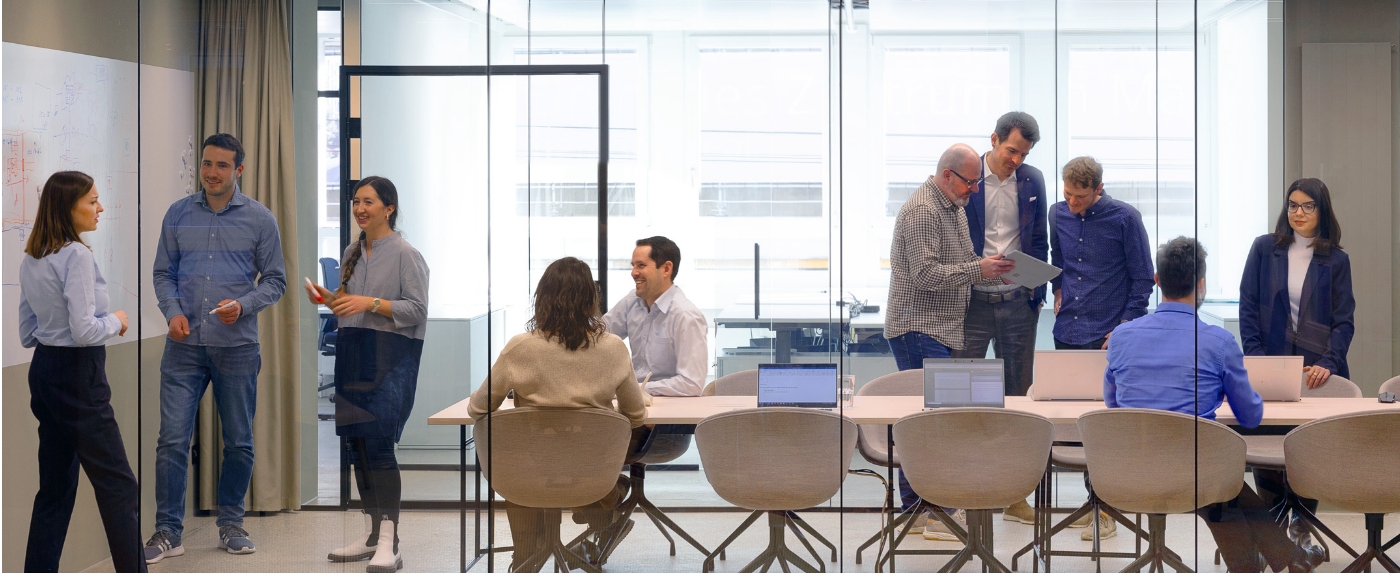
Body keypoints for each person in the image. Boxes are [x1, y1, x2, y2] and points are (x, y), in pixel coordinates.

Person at [1105, 236, 1320, 573]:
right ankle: (1273, 562)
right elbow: (1250, 416)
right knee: (1222, 483)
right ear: (1201, 284)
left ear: (1157, 280)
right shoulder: (1218, 341)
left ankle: (1285, 558)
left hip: (1131, 470)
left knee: (1228, 487)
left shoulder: (1121, 336)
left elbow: (1113, 406)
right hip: (1196, 476)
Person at [146, 133, 287, 563]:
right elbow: (163, 273)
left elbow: (276, 281)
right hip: (184, 346)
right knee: (172, 440)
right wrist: (172, 311)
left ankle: (231, 524)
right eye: (207, 164)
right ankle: (168, 532)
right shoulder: (178, 213)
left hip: (236, 346)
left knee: (239, 441)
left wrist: (244, 305)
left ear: (238, 170)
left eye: (222, 165)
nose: (211, 172)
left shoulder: (260, 219)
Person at [470, 257, 649, 572]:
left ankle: (525, 559)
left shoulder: (519, 348)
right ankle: (605, 502)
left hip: (528, 471)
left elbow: (478, 408)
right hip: (591, 471)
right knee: (580, 466)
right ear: (591, 300)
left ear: (542, 299)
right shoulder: (613, 348)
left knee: (519, 464)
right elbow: (635, 415)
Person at [885, 143, 1015, 540]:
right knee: (930, 425)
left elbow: (963, 261)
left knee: (927, 421)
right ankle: (931, 512)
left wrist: (995, 270)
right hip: (918, 327)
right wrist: (979, 269)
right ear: (947, 175)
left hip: (938, 327)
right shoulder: (924, 210)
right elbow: (925, 275)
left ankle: (919, 509)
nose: (974, 190)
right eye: (970, 182)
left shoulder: (952, 206)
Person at [18, 172, 145, 573]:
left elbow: (27, 333)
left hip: (44, 371)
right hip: (78, 375)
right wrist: (117, 320)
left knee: (55, 489)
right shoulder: (76, 255)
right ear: (67, 207)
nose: (100, 208)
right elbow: (85, 330)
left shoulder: (32, 257)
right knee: (119, 485)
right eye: (92, 201)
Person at [309, 177, 429, 572]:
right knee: (356, 447)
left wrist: (370, 302)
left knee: (378, 447)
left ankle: (391, 542)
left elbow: (417, 309)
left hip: (389, 359)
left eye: (369, 202)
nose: (360, 209)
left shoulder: (407, 255)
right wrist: (329, 299)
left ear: (389, 208)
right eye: (356, 201)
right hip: (353, 352)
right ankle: (372, 534)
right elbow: (350, 305)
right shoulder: (351, 251)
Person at [1239, 177, 1353, 565]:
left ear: (1322, 211)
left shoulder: (1336, 260)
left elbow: (1344, 321)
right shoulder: (1264, 248)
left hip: (1316, 371)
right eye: (1292, 205)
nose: (1298, 213)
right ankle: (1271, 531)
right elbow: (1248, 307)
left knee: (1308, 448)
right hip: (1270, 363)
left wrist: (1329, 363)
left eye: (1307, 206)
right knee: (1268, 442)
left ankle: (1301, 526)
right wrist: (1257, 359)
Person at [954, 111, 1049, 398]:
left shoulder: (1032, 179)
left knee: (1019, 390)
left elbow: (1038, 239)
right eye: (1012, 151)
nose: (1017, 160)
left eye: (1024, 154)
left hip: (1018, 302)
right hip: (971, 301)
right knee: (961, 390)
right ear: (994, 139)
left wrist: (1037, 294)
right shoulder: (968, 176)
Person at [1049, 156, 1154, 350]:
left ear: (1098, 188)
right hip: (1065, 330)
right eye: (1068, 193)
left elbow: (1143, 277)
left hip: (1107, 332)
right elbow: (1058, 259)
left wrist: (1125, 326)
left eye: (1080, 196)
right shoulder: (1057, 213)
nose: (1072, 201)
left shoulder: (1126, 218)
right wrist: (1057, 291)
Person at [603, 236, 708, 397]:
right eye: (633, 266)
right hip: (636, 402)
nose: (633, 273)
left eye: (641, 265)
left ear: (666, 269)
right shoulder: (632, 302)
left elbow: (691, 384)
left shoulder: (686, 316)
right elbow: (596, 335)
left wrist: (633, 390)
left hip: (671, 406)